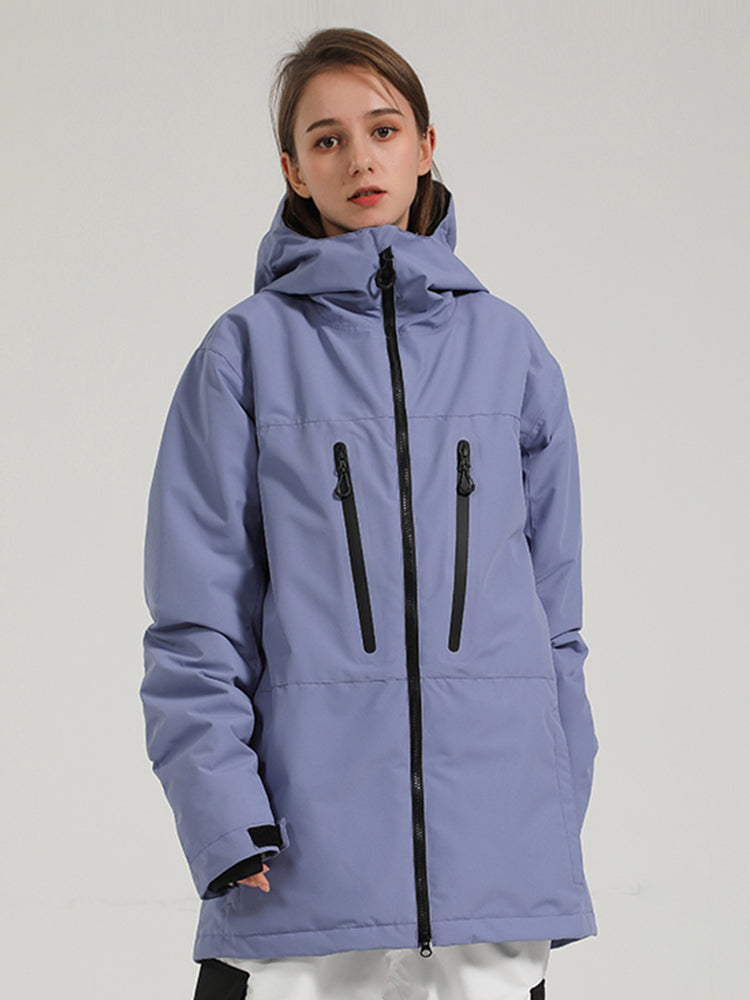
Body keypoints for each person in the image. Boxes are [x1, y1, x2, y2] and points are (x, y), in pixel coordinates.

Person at [140, 26, 598, 1000]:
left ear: (426, 146)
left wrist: (549, 819)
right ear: (293, 169)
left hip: (489, 886)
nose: (360, 159)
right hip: (298, 876)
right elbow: (195, 622)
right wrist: (222, 819)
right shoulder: (243, 356)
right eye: (328, 139)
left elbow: (556, 625)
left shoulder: (511, 350)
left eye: (383, 130)